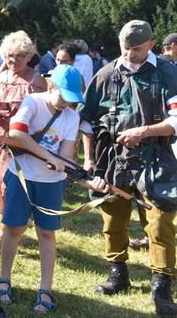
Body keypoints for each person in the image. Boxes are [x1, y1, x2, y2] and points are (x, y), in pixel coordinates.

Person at [80, 20, 177, 316]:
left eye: (136, 48)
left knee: (160, 222)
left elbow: (175, 121)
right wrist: (88, 158)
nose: (130, 54)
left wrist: (143, 132)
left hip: (157, 158)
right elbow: (86, 121)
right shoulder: (107, 73)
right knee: (112, 218)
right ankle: (117, 273)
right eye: (125, 47)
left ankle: (161, 287)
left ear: (151, 43)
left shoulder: (170, 73)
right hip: (114, 159)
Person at [0, 65, 107, 314]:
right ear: (50, 87)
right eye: (63, 96)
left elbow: (66, 159)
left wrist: (88, 182)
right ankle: (4, 280)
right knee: (13, 229)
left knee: (47, 234)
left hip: (50, 184)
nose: (67, 103)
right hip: (21, 176)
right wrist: (48, 156)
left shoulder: (71, 117)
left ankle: (45, 289)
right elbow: (16, 133)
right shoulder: (33, 102)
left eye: (72, 98)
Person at [0, 31, 46, 254]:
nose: (12, 60)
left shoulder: (36, 81)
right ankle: (7, 230)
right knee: (2, 188)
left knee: (14, 188)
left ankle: (3, 235)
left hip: (21, 142)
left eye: (18, 56)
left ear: (28, 56)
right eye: (8, 56)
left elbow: (43, 115)